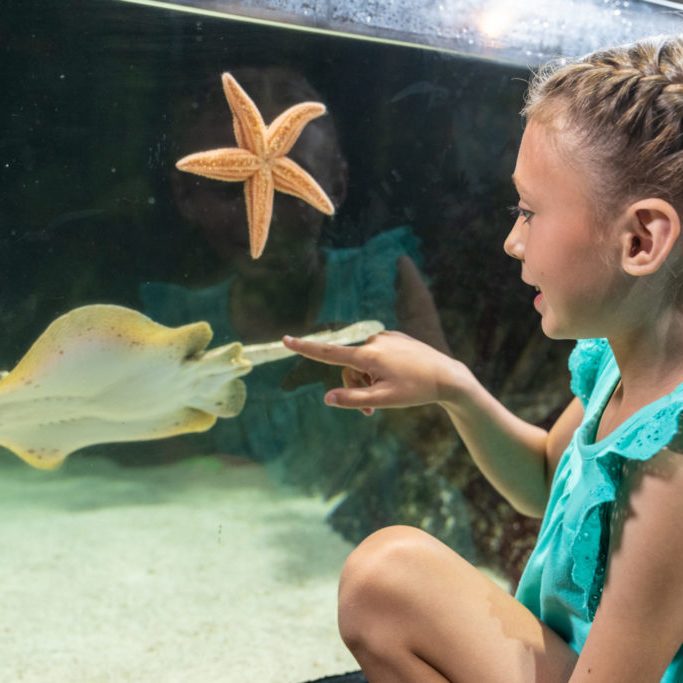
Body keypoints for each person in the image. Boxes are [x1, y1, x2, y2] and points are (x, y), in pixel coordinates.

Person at [283, 36, 683, 682]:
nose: (511, 239)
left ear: (640, 239)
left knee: (387, 577)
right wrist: (452, 385)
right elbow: (544, 481)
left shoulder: (672, 460)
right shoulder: (621, 363)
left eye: (528, 211)